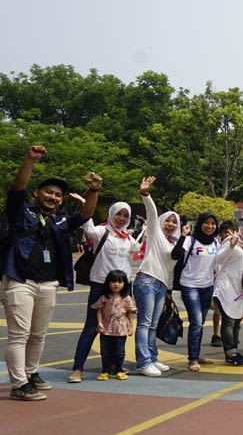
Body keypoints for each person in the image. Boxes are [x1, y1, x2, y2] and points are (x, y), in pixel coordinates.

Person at [3, 145, 100, 400]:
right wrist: (30, 159)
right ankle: (19, 384)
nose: (53, 197)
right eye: (48, 192)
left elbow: (85, 214)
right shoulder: (21, 212)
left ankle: (31, 373)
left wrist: (93, 190)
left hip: (48, 283)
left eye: (58, 195)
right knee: (19, 335)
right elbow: (17, 188)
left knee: (38, 334)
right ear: (37, 193)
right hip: (20, 280)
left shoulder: (60, 221)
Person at [68, 201, 141, 383]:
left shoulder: (128, 238)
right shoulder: (102, 231)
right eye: (118, 214)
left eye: (125, 215)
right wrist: (87, 203)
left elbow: (137, 250)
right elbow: (88, 228)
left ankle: (115, 365)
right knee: (91, 328)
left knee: (119, 328)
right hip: (101, 285)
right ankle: (77, 368)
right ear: (111, 214)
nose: (121, 218)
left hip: (124, 288)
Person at [133, 176, 179, 377]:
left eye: (174, 221)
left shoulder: (173, 244)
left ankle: (151, 358)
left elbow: (170, 270)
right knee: (144, 323)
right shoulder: (155, 233)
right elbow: (151, 214)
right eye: (167, 220)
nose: (170, 224)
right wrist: (146, 194)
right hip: (147, 280)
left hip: (161, 285)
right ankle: (143, 362)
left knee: (153, 324)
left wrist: (168, 290)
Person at [172, 212, 220, 372]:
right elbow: (175, 255)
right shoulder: (190, 240)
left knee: (200, 323)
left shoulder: (215, 243)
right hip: (189, 285)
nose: (210, 226)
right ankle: (192, 358)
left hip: (207, 286)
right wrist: (182, 236)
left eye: (213, 223)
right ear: (200, 224)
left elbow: (219, 264)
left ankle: (196, 354)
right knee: (196, 322)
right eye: (206, 222)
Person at [213, 214, 243, 366]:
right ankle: (230, 353)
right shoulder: (231, 239)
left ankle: (234, 351)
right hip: (227, 286)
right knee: (228, 320)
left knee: (237, 320)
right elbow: (218, 259)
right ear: (242, 224)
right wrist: (231, 246)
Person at [91, 269, 136, 381]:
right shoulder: (104, 297)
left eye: (120, 282)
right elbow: (99, 310)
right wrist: (99, 323)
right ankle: (105, 371)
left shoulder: (127, 299)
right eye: (113, 281)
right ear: (108, 283)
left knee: (119, 351)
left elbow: (130, 313)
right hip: (106, 327)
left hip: (121, 328)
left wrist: (131, 327)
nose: (116, 284)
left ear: (124, 284)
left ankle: (119, 370)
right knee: (105, 350)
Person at [210, 219, 236, 348]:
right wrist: (213, 273)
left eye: (230, 232)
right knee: (218, 311)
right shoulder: (216, 245)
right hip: (217, 282)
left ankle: (231, 336)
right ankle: (216, 334)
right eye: (225, 232)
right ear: (220, 234)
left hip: (231, 283)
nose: (227, 235)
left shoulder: (236, 244)